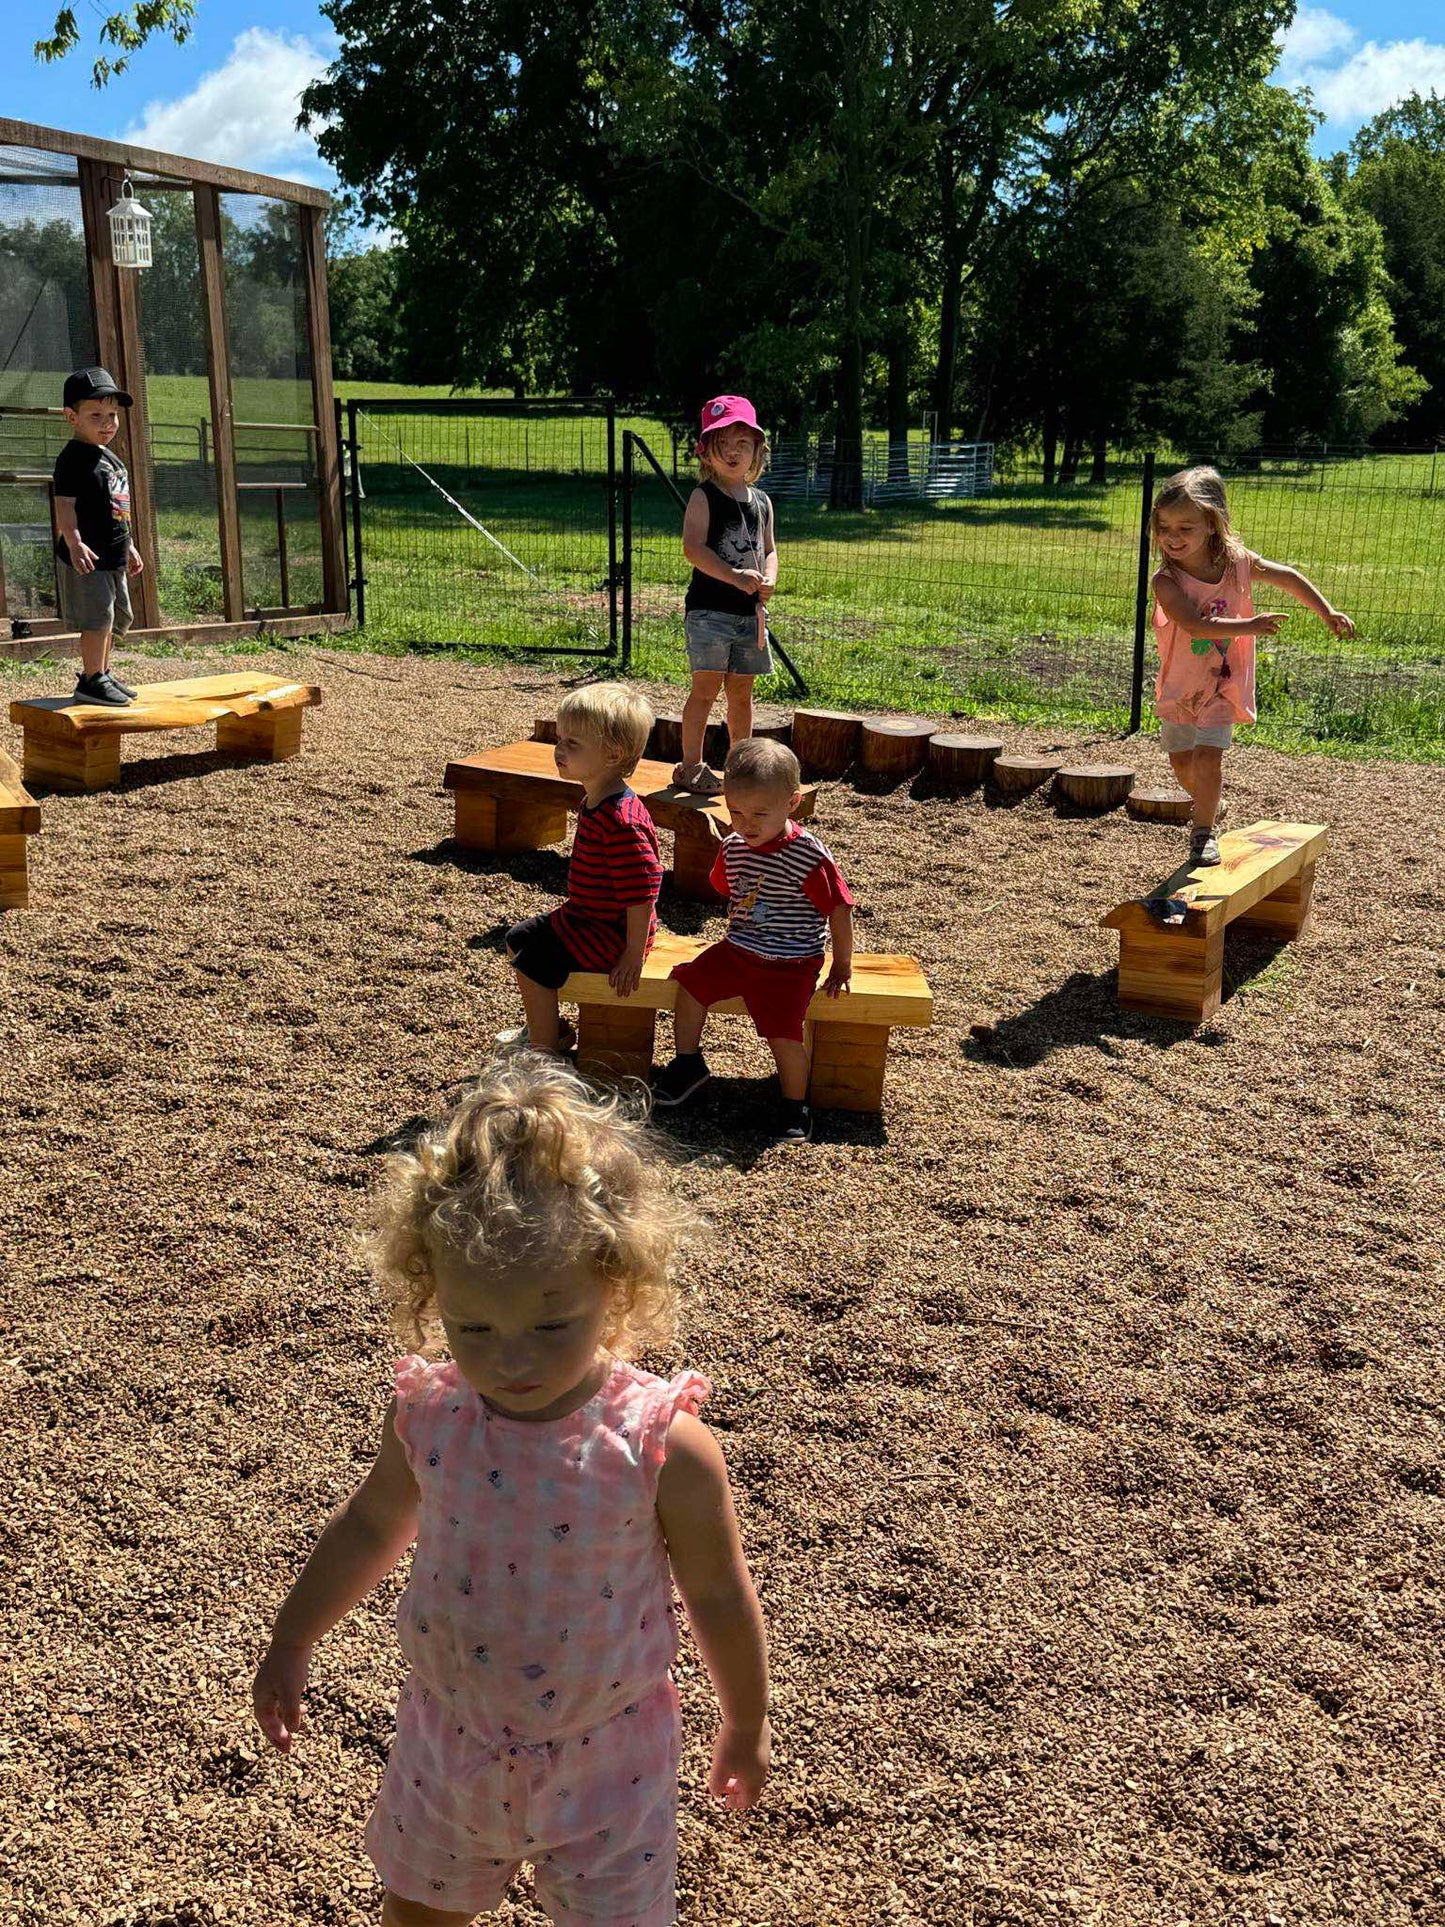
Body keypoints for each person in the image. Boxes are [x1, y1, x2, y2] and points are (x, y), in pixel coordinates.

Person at [252, 1055, 771, 1927]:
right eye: (474, 1325)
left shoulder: (659, 1442)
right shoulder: (433, 1414)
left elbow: (717, 1589)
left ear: (614, 1283)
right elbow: (372, 1524)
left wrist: (744, 1720)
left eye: (550, 1322)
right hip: (447, 1738)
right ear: (433, 1297)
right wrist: (293, 1635)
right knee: (417, 1911)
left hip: (608, 1757)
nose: (510, 1357)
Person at [650, 738, 852, 1142]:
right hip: (740, 948)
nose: (746, 824)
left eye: (760, 813)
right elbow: (727, 887)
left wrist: (842, 963)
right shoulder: (737, 844)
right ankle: (688, 1063)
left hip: (790, 961)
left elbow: (839, 908)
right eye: (736, 811)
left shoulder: (809, 856)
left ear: (792, 803)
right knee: (689, 986)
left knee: (783, 1033)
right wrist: (723, 849)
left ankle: (796, 1105)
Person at [1151, 464, 1354, 865]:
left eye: (1184, 528)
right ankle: (1210, 802)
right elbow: (1192, 624)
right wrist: (1252, 625)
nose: (1172, 538)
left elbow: (1289, 577)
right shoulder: (1166, 579)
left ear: (1213, 523)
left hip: (1223, 682)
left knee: (1209, 757)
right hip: (1181, 682)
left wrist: (1326, 611)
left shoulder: (1237, 562)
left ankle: (1203, 832)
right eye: (1164, 528)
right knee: (1184, 764)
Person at [499, 683, 662, 1056]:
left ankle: (543, 1052)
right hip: (587, 915)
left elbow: (642, 894)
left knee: (533, 964)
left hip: (613, 932)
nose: (559, 750)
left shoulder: (621, 821)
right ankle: (549, 1028)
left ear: (612, 754)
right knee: (518, 938)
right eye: (560, 739)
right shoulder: (595, 797)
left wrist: (632, 954)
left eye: (573, 744)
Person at [675, 396, 777, 796]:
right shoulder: (704, 496)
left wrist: (769, 578)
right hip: (709, 614)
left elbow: (770, 550)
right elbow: (693, 549)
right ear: (706, 451)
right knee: (705, 690)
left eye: (743, 444)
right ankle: (690, 766)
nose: (734, 452)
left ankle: (740, 767)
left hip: (749, 616)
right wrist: (734, 576)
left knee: (741, 694)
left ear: (757, 451)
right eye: (724, 444)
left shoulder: (763, 502)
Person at [52, 367, 145, 708]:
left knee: (114, 616)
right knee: (97, 618)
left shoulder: (109, 457)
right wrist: (74, 542)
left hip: (113, 553)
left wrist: (130, 545)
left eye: (111, 415)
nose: (107, 423)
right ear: (71, 417)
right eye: (96, 416)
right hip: (88, 557)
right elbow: (64, 505)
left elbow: (118, 507)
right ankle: (91, 679)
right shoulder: (72, 459)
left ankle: (102, 673)